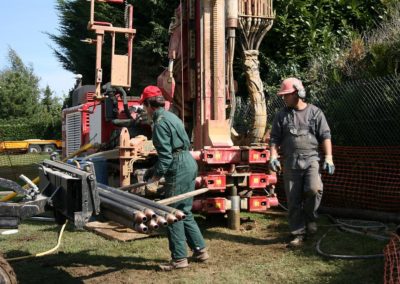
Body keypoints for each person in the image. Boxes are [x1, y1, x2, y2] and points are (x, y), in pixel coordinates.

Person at [139, 85, 209, 271]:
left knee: (171, 212)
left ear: (148, 104)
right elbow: (172, 150)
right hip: (188, 162)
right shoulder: (171, 116)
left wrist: (154, 177)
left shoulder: (159, 123)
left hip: (179, 165)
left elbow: (166, 157)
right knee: (184, 210)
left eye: (144, 106)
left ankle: (179, 259)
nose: (145, 110)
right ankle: (200, 250)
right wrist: (153, 169)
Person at [269, 77, 335, 247]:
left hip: (311, 159)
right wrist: (273, 156)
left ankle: (310, 218)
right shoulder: (281, 115)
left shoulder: (315, 113)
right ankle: (298, 233)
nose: (284, 98)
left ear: (298, 93)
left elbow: (325, 136)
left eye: (287, 95)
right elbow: (274, 138)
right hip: (291, 161)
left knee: (314, 188)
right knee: (293, 199)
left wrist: (328, 157)